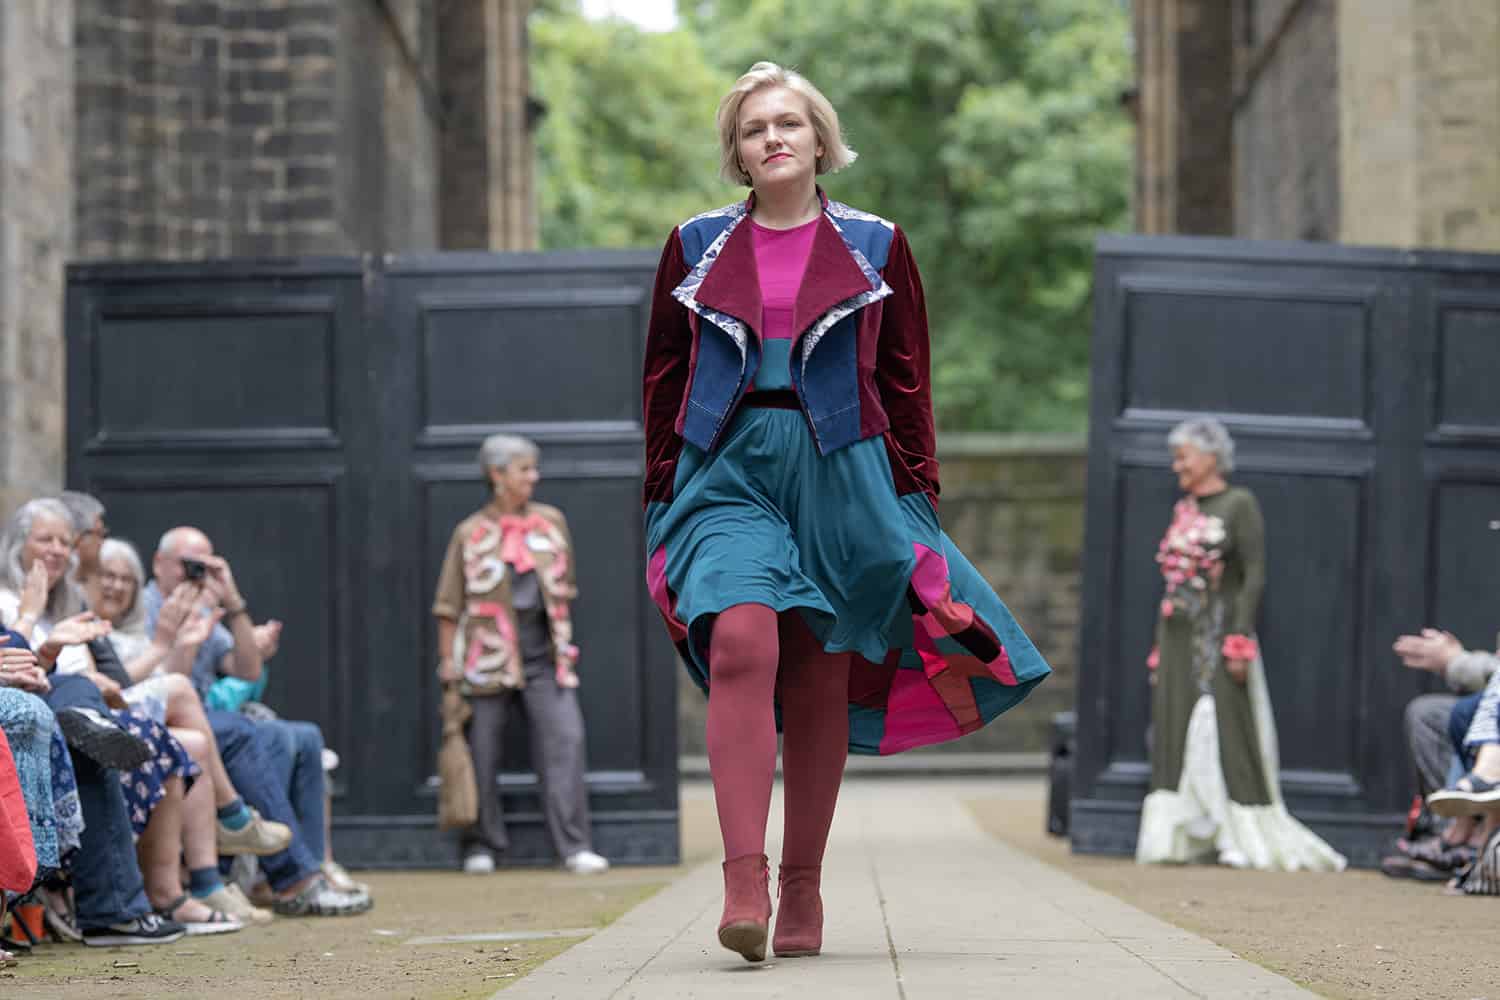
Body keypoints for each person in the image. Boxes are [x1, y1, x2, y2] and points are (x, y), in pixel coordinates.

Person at [642, 62, 1051, 963]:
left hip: (845, 468)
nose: (772, 138)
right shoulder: (695, 243)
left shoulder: (875, 243)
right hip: (727, 464)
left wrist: (917, 508)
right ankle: (742, 878)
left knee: (819, 671)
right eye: (753, 129)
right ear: (737, 153)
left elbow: (907, 382)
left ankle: (803, 884)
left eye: (788, 123)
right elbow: (664, 374)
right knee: (742, 637)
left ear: (820, 140)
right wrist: (662, 492)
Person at [1135, 418, 1344, 871]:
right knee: (1175, 728)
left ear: (1210, 457)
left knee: (1224, 727)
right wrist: (1158, 646)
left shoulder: (1239, 504)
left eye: (1183, 457)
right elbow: (1173, 582)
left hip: (1218, 633)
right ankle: (1183, 835)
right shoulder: (1185, 508)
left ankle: (1236, 832)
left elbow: (1253, 574)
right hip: (1177, 637)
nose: (1177, 466)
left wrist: (1238, 638)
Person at [144, 526, 371, 915]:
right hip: (173, 718)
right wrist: (184, 639)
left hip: (207, 717)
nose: (195, 574)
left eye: (205, 566)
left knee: (304, 736)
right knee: (250, 733)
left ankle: (309, 867)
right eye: (188, 564)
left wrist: (233, 604)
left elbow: (247, 669)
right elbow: (168, 687)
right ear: (158, 563)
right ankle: (293, 879)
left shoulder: (204, 606)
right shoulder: (148, 607)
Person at [431, 433, 608, 877]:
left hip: (545, 657)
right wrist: (449, 664)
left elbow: (566, 586)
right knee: (481, 751)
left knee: (566, 741)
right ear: (497, 475)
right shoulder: (469, 533)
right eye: (524, 469)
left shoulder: (552, 522)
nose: (534, 477)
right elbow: (448, 606)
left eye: (533, 468)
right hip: (487, 659)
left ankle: (573, 847)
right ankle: (481, 846)